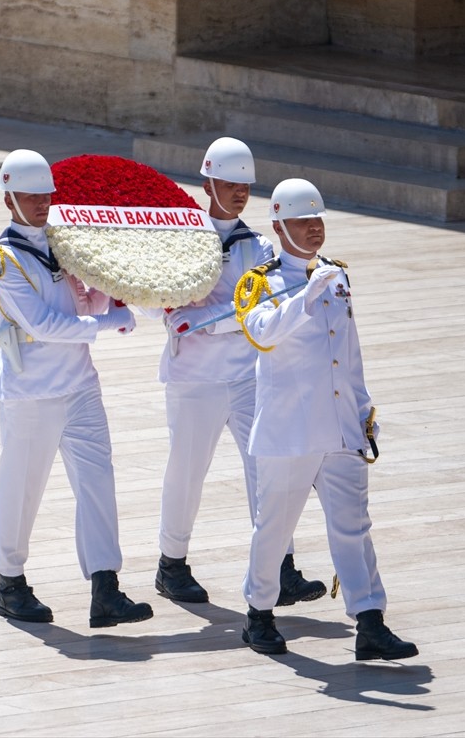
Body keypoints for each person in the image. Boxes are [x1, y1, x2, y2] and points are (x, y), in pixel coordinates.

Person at [238, 178, 417, 661]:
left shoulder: (336, 275)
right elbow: (262, 334)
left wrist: (364, 412)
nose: (313, 229)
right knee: (274, 528)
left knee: (353, 527)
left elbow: (348, 355)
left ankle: (370, 621)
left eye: (317, 220)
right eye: (301, 221)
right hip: (289, 432)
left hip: (339, 427)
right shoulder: (261, 284)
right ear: (277, 226)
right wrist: (303, 299)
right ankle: (258, 613)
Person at [151, 138, 325, 607]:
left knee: (267, 473)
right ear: (208, 183)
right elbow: (151, 295)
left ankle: (280, 566)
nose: (238, 192)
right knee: (186, 473)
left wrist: (215, 318)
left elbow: (263, 305)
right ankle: (172, 564)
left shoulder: (260, 244)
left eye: (244, 186)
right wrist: (166, 310)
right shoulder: (183, 239)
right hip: (194, 379)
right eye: (228, 184)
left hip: (249, 377)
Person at [0, 149, 152, 628]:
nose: (41, 202)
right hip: (31, 392)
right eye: (30, 195)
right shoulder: (3, 261)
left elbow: (81, 297)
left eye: (46, 194)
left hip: (79, 384)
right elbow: (43, 323)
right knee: (22, 489)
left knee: (98, 483)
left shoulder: (63, 245)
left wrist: (110, 291)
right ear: (9, 199)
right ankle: (10, 583)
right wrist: (103, 323)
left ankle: (105, 587)